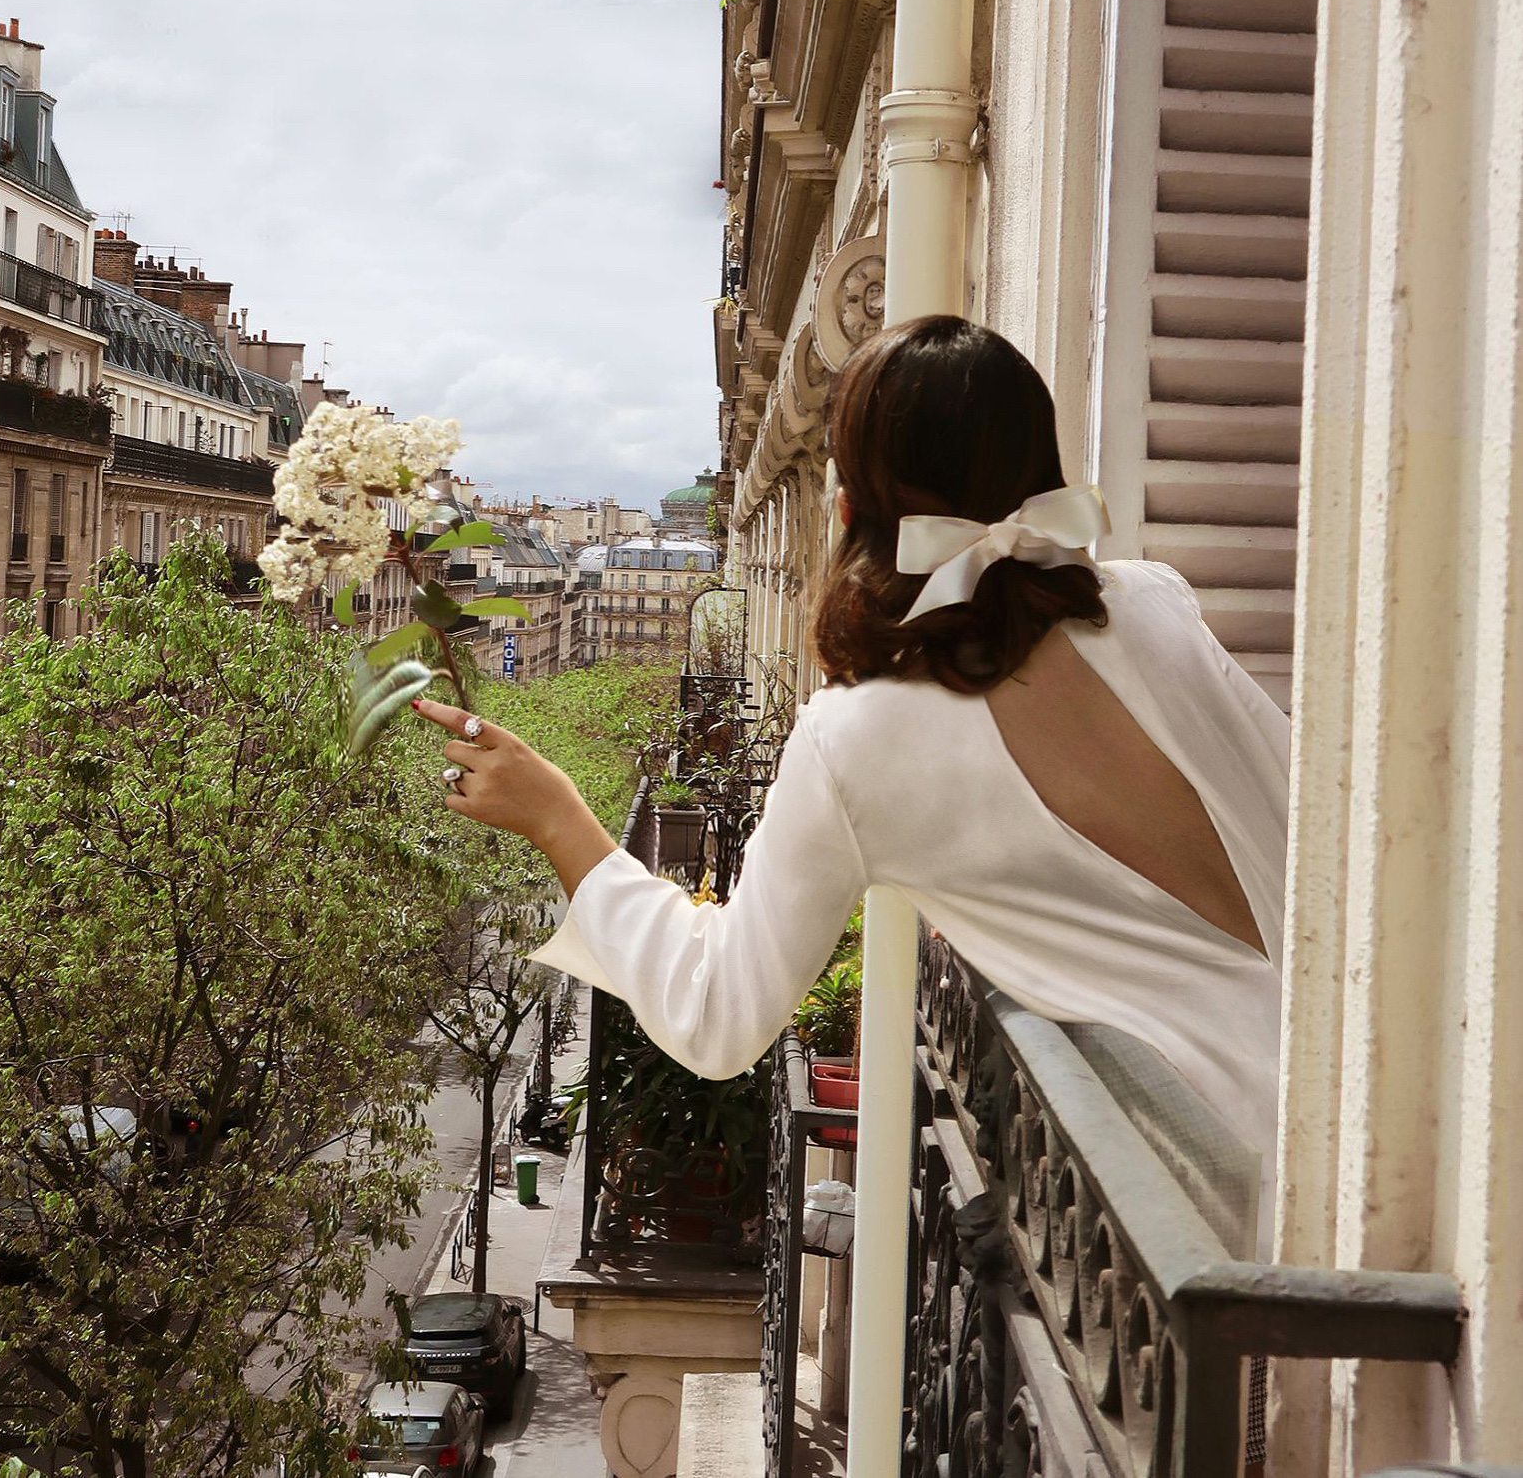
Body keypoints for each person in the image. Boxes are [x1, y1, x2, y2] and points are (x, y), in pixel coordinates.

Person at [415, 314, 1286, 1462]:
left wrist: (557, 816)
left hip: (1203, 1212)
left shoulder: (861, 738)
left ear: (850, 505)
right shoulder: (1154, 606)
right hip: (1361, 1099)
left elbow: (722, 1013)